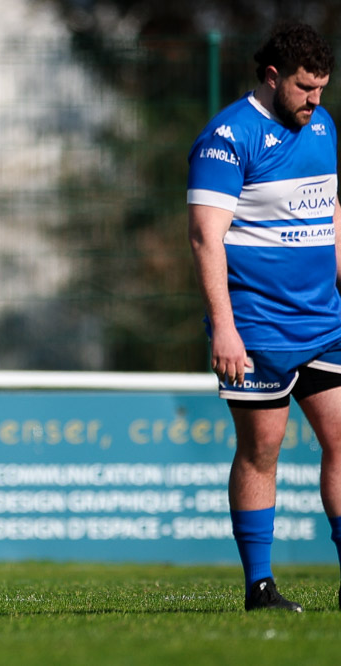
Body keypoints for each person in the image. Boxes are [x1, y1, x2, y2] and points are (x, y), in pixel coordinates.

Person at [188, 21, 341, 612]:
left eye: (323, 88)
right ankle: (259, 586)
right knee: (263, 450)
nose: (315, 100)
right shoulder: (227, 137)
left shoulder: (323, 124)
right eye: (305, 88)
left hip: (323, 321)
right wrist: (224, 327)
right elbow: (206, 238)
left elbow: (329, 210)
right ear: (273, 76)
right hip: (256, 329)